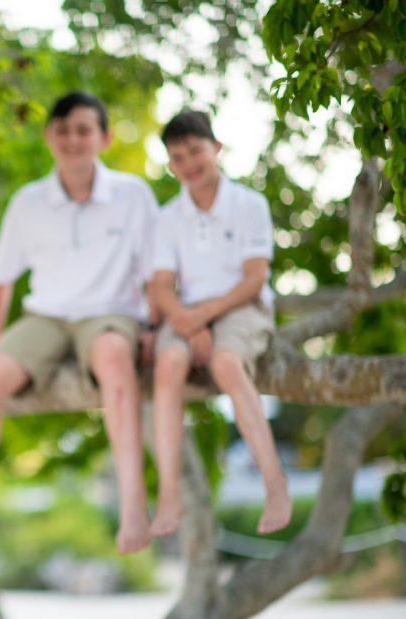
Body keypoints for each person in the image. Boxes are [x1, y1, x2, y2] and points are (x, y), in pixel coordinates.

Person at [0, 91, 160, 570]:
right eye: (62, 130)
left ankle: (132, 503)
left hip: (110, 313)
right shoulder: (28, 202)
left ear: (102, 137)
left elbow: (157, 268)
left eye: (83, 130)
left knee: (115, 362)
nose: (72, 140)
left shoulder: (133, 194)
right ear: (49, 137)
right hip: (46, 316)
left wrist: (154, 326)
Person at [149, 110, 292, 537]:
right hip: (188, 314)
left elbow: (253, 280)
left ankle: (274, 482)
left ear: (216, 147)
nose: (189, 163)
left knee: (227, 364)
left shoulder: (250, 204)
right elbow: (160, 286)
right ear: (171, 166)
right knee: (168, 365)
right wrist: (190, 325)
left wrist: (206, 318)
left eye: (195, 150)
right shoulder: (168, 217)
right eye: (178, 157)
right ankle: (169, 492)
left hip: (240, 308)